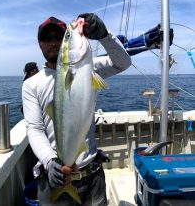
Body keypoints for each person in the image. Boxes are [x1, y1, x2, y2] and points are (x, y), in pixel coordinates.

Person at [22, 13, 131, 206]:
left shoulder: (89, 67)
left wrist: (104, 34)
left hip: (92, 175)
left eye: (60, 37)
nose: (53, 43)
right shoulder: (32, 84)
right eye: (47, 39)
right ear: (40, 44)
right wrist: (49, 161)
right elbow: (35, 128)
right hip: (56, 176)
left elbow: (122, 63)